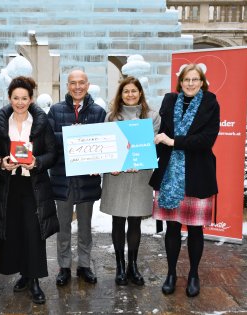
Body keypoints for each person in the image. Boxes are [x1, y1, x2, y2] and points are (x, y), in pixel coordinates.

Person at [149, 64, 220, 297]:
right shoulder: (169, 102)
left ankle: (193, 275)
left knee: (196, 229)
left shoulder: (211, 104)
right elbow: (158, 130)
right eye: (186, 80)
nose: (190, 83)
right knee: (172, 227)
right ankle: (171, 273)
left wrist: (173, 142)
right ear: (180, 82)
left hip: (197, 174)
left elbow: (206, 140)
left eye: (195, 79)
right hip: (170, 175)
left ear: (202, 82)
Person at [0, 76, 59, 304]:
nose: (20, 102)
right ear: (9, 98)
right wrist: (3, 163)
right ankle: (23, 274)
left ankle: (35, 280)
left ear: (31, 99)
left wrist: (36, 163)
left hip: (34, 184)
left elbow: (52, 154)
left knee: (34, 232)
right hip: (10, 185)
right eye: (15, 98)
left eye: (24, 98)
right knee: (14, 232)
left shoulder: (41, 123)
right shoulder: (1, 122)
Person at [100, 76, 160, 286]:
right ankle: (119, 266)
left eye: (134, 90)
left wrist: (138, 159)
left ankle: (132, 266)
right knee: (118, 219)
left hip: (141, 174)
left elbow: (151, 145)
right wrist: (113, 163)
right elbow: (107, 147)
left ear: (140, 93)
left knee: (135, 220)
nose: (130, 94)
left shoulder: (152, 116)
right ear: (121, 94)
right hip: (117, 174)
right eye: (126, 91)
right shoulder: (112, 117)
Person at [48, 70, 106, 286]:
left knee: (85, 225)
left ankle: (84, 265)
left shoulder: (99, 112)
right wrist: (71, 134)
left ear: (88, 84)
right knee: (63, 225)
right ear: (67, 85)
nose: (78, 87)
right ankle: (64, 267)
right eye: (73, 83)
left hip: (86, 179)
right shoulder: (55, 111)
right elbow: (47, 140)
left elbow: (104, 142)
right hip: (62, 178)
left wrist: (100, 163)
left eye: (81, 82)